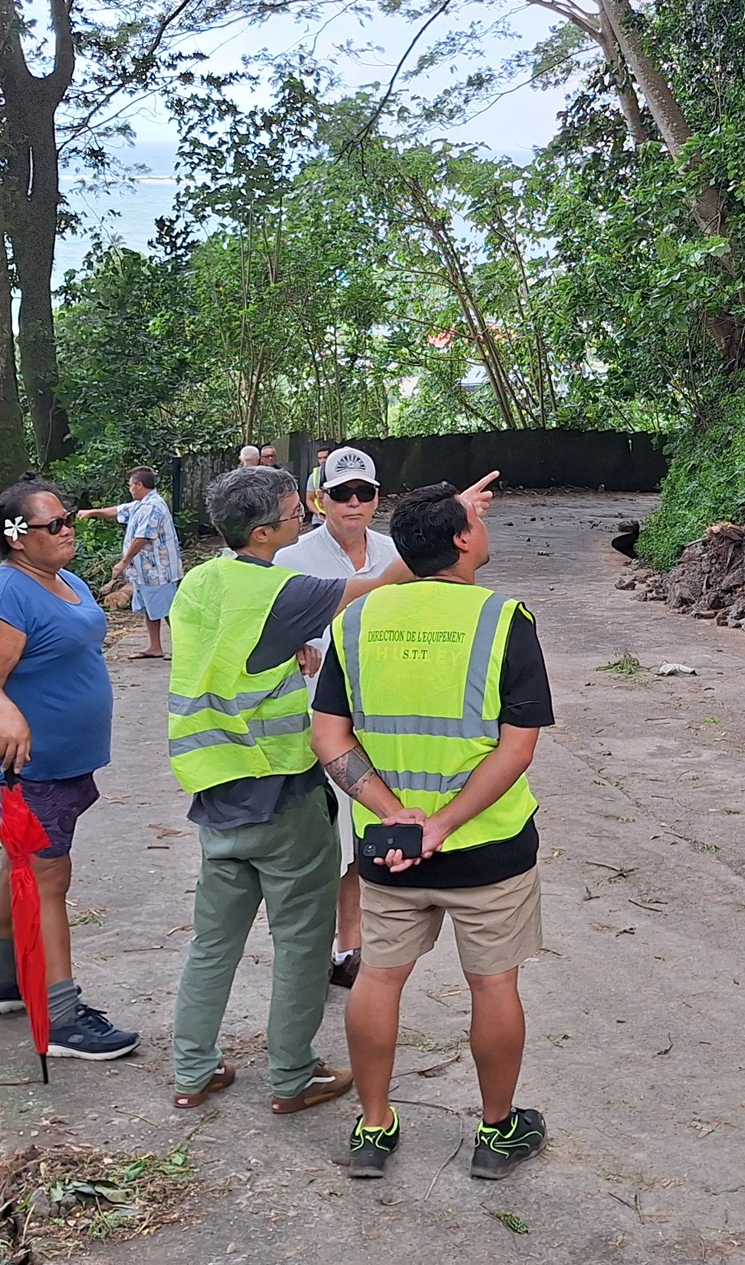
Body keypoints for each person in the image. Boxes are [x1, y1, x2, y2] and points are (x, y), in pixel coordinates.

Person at [166, 464, 499, 1118]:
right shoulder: (281, 592)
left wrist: (289, 652)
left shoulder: (199, 582)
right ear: (263, 532)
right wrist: (450, 514)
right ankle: (292, 1075)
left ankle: (192, 1070)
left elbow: (230, 655)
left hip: (215, 793)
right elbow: (384, 582)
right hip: (281, 795)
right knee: (301, 941)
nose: (306, 515)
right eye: (295, 511)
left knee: (212, 942)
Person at [316, 481, 553, 1183]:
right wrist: (443, 823)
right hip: (488, 851)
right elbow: (517, 747)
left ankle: (374, 1126)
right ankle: (496, 1132)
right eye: (474, 522)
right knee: (493, 985)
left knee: (378, 979)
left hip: (390, 851)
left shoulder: (356, 620)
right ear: (461, 539)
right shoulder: (503, 618)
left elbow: (329, 736)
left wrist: (394, 813)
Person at [0, 477, 140, 1060]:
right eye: (54, 524)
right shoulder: (4, 596)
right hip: (24, 769)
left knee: (22, 863)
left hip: (63, 765)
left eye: (68, 519)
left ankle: (6, 982)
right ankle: (60, 1017)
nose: (68, 530)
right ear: (17, 535)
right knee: (46, 877)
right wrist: (5, 712)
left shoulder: (63, 580)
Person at [279, 447, 402, 989]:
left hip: (381, 711)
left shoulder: (395, 553)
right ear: (320, 499)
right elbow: (265, 624)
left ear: (377, 498)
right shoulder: (292, 558)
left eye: (364, 492)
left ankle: (353, 946)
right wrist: (292, 644)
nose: (354, 503)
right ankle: (320, 946)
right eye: (342, 493)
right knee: (327, 839)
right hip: (319, 716)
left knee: (365, 830)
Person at [78, 467, 183, 660]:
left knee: (167, 609)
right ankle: (155, 647)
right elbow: (118, 511)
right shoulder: (141, 504)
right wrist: (92, 512)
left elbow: (142, 537)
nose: (130, 489)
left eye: (130, 485)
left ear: (139, 485)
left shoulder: (153, 507)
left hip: (159, 569)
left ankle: (183, 647)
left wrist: (123, 562)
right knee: (149, 608)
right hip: (145, 570)